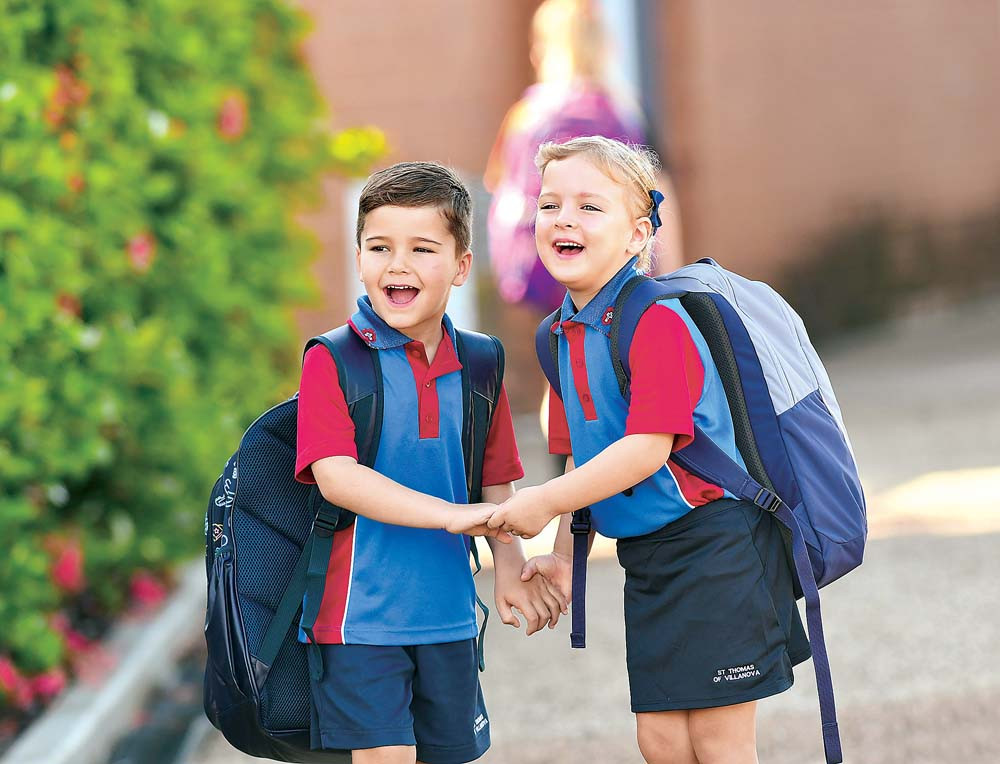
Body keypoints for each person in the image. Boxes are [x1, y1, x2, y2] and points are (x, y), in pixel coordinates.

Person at [487, 137, 810, 764]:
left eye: (589, 206)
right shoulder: (557, 336)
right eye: (549, 204)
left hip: (720, 543)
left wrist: (541, 503)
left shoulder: (657, 320)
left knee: (717, 741)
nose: (564, 219)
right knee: (660, 740)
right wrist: (564, 558)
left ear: (638, 236)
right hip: (651, 557)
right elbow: (584, 461)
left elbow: (643, 451)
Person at [295, 161, 567, 764]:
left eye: (422, 248)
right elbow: (336, 476)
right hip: (358, 619)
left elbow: (495, 479)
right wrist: (446, 515)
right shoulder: (332, 361)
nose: (398, 265)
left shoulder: (481, 364)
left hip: (448, 614)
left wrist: (509, 565)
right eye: (379, 247)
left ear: (462, 265)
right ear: (359, 256)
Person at [483, 0, 683, 420]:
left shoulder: (525, 114)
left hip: (548, 265)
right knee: (619, 368)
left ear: (544, 48)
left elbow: (497, 183)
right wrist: (673, 274)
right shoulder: (623, 111)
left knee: (560, 371)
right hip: (612, 265)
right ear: (605, 47)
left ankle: (566, 474)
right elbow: (659, 193)